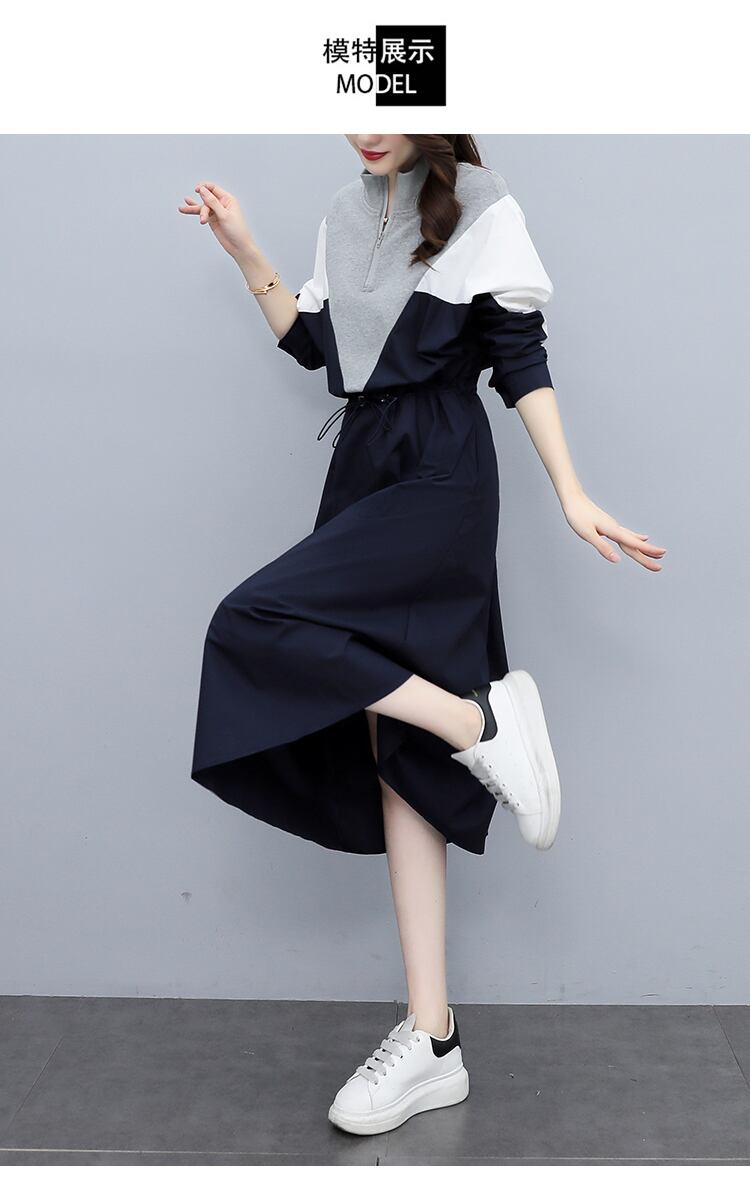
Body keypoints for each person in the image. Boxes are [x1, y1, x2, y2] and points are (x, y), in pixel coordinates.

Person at [178, 134, 666, 1137]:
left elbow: (519, 358)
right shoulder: (344, 211)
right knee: (389, 744)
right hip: (362, 465)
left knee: (254, 621)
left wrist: (572, 494)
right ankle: (434, 1038)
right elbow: (318, 349)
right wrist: (244, 249)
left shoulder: (483, 205)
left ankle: (475, 722)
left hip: (441, 468)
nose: (367, 124)